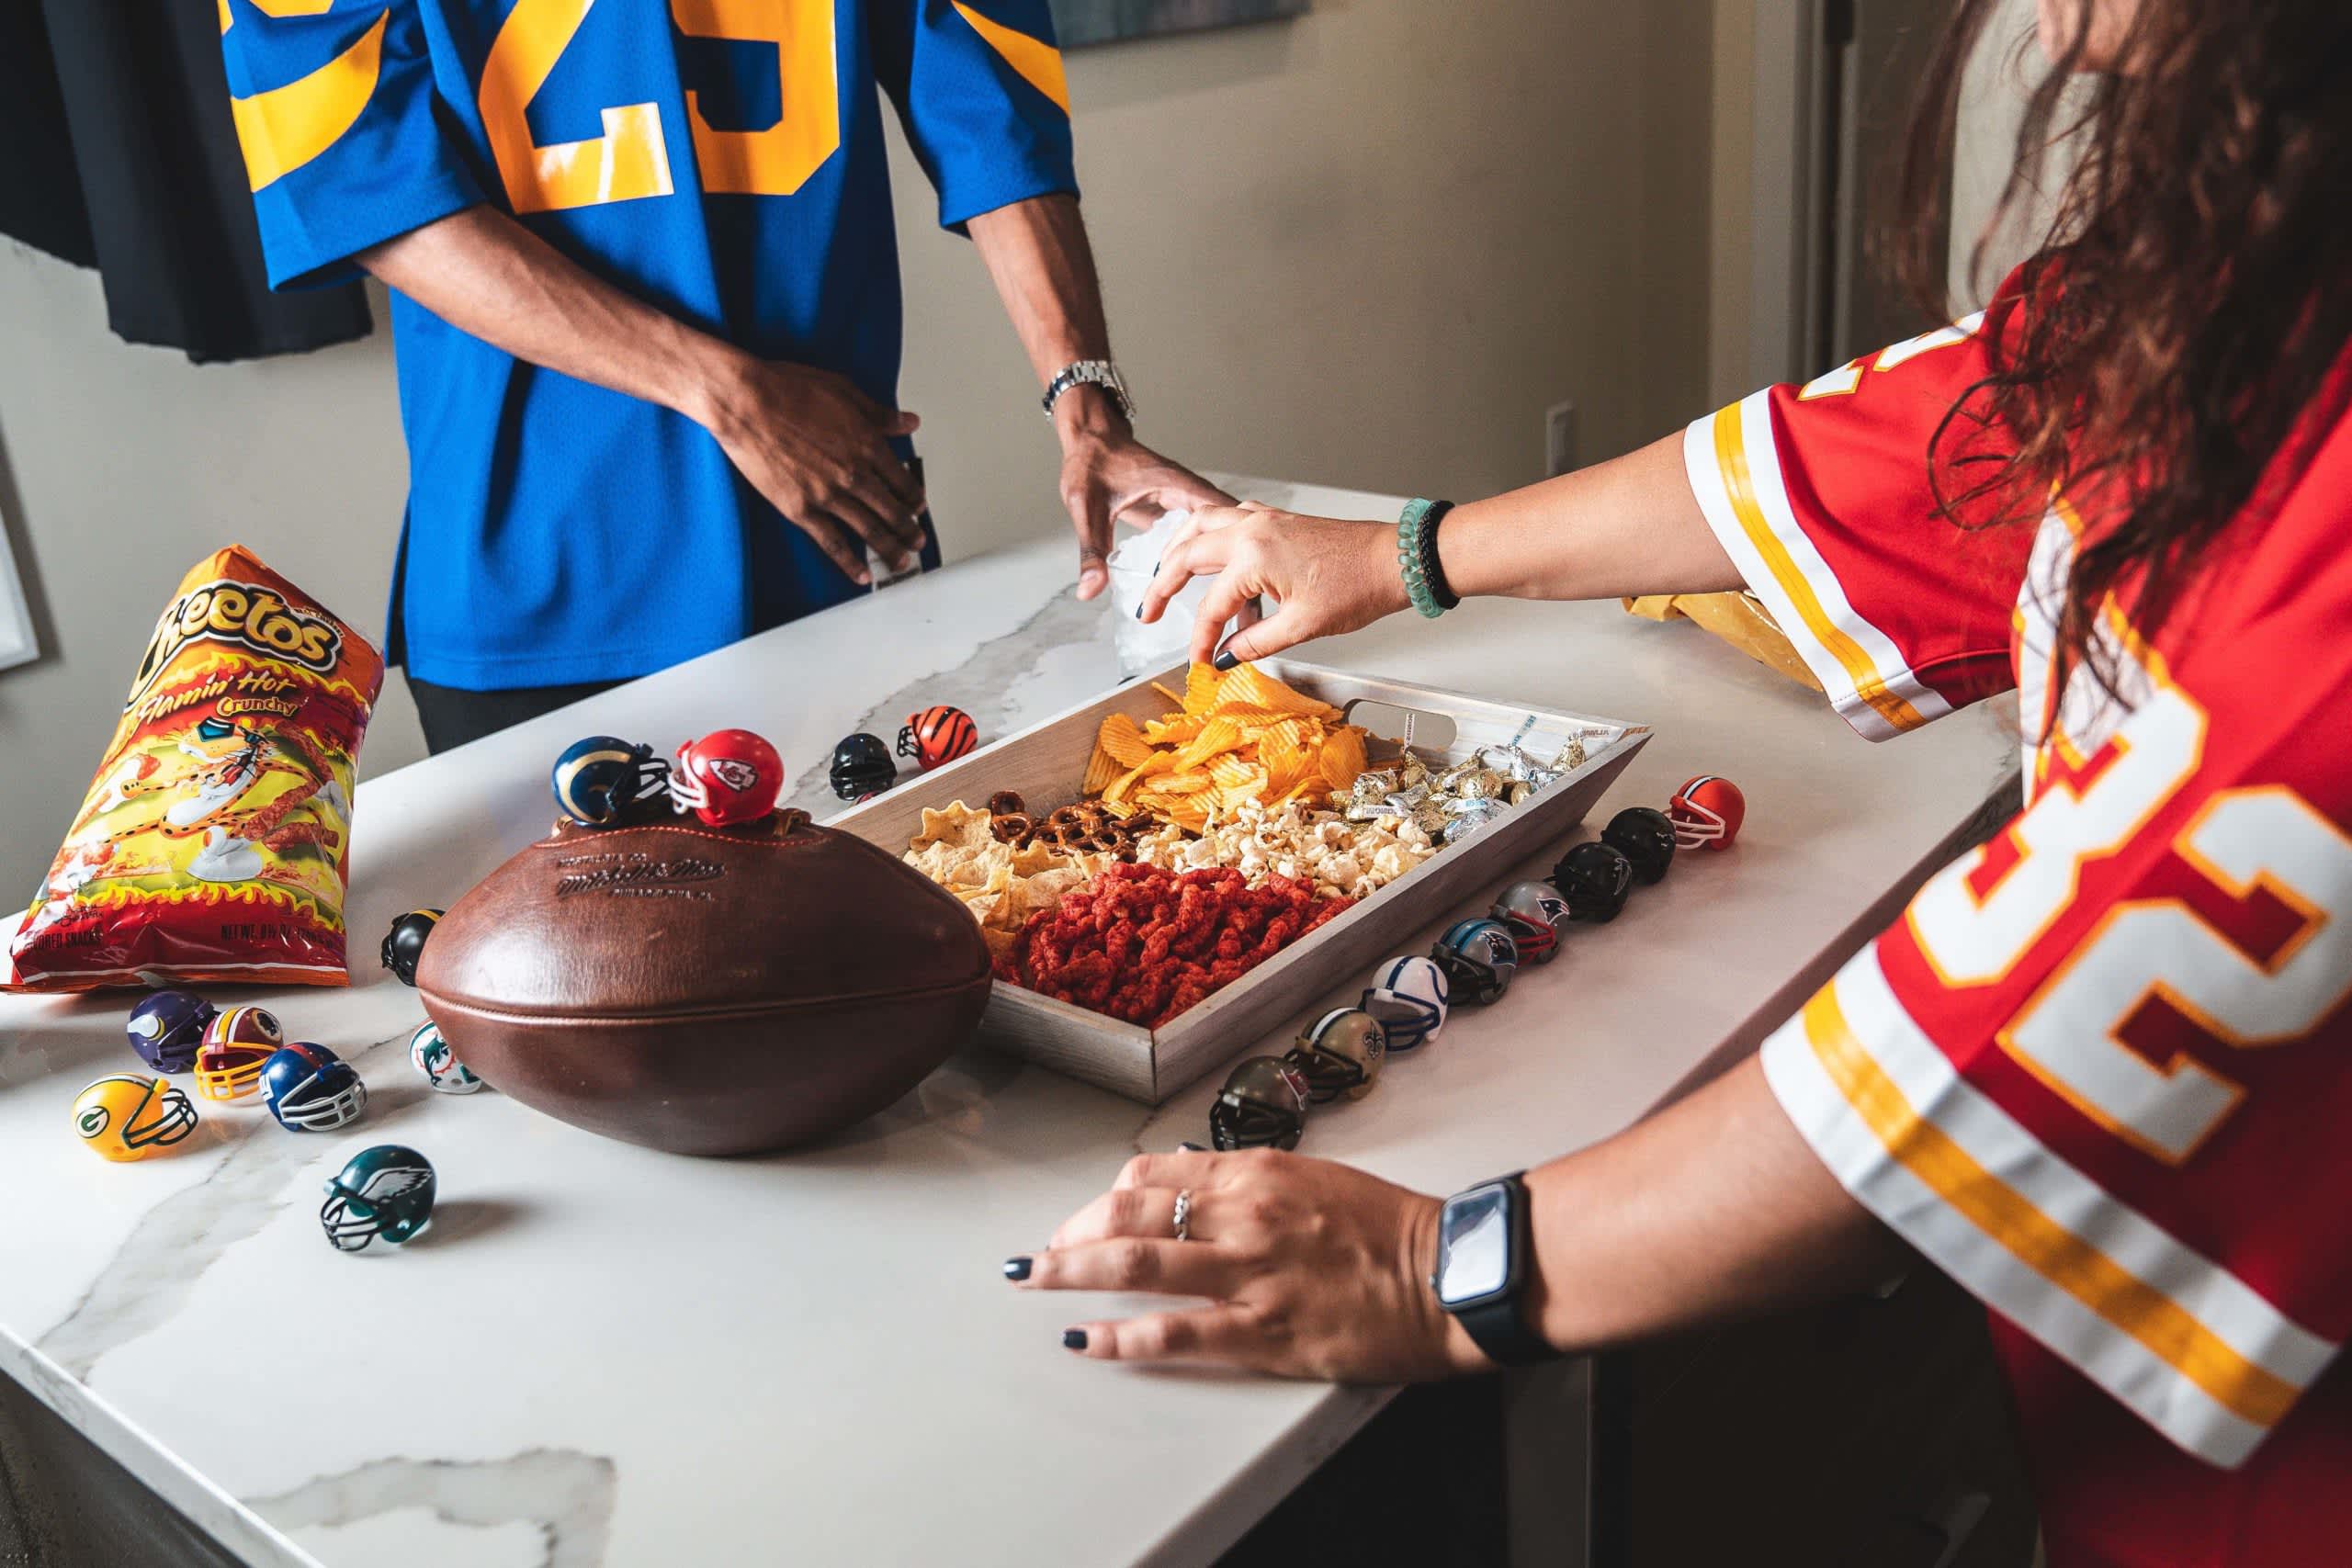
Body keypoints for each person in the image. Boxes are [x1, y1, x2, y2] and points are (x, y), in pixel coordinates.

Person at [1003, 1, 2352, 1561]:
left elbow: (2003, 1044)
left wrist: (1434, 1266)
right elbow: (1903, 446)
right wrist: (1395, 554)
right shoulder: (2264, 252)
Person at [219, 0, 1221, 751]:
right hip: (552, 577)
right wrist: (729, 394)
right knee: (591, 1013)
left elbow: (987, 102)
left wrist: (1083, 405)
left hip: (833, 529)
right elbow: (361, 192)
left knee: (882, 989)